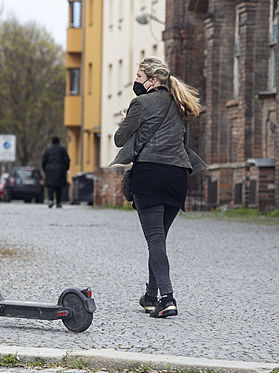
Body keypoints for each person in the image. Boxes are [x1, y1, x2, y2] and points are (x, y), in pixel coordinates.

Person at [111, 56, 206, 318]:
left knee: (155, 241)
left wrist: (127, 121)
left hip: (150, 176)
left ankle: (168, 298)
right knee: (159, 241)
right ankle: (151, 297)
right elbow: (182, 141)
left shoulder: (140, 103)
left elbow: (120, 139)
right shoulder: (180, 104)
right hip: (177, 178)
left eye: (139, 77)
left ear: (153, 80)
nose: (136, 82)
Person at [42, 135, 70, 208]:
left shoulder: (48, 150)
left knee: (50, 187)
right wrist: (66, 168)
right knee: (59, 187)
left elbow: (44, 161)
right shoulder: (62, 149)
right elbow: (67, 160)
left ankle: (50, 200)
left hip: (49, 170)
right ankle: (58, 202)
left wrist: (45, 169)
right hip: (60, 170)